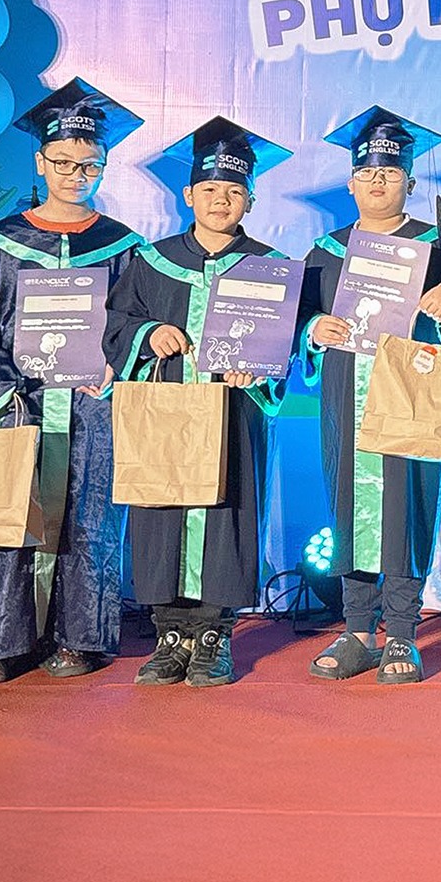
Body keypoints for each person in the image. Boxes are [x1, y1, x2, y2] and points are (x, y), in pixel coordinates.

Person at [0, 81, 144, 683]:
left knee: (91, 516)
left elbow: (134, 320)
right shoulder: (2, 243)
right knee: (4, 512)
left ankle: (80, 637)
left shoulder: (123, 246)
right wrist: (3, 390)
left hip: (92, 404)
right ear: (41, 162)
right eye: (62, 162)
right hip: (17, 401)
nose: (75, 175)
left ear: (103, 165)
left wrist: (116, 361)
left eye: (89, 164)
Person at [104, 119, 296, 689]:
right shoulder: (151, 260)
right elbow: (116, 324)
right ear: (189, 195)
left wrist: (258, 367)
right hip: (166, 411)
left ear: (250, 200)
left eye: (234, 191)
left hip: (234, 413)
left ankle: (214, 637)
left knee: (227, 512)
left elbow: (285, 341)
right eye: (210, 190)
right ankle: (169, 636)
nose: (221, 200)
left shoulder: (269, 265)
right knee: (162, 510)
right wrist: (148, 334)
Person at [299, 107, 441, 686]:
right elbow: (299, 316)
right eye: (367, 172)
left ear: (410, 182)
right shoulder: (327, 250)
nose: (378, 181)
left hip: (411, 392)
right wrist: (314, 328)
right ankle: (356, 630)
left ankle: (401, 630)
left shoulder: (435, 245)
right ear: (351, 183)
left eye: (391, 172)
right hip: (346, 391)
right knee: (349, 503)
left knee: (409, 503)